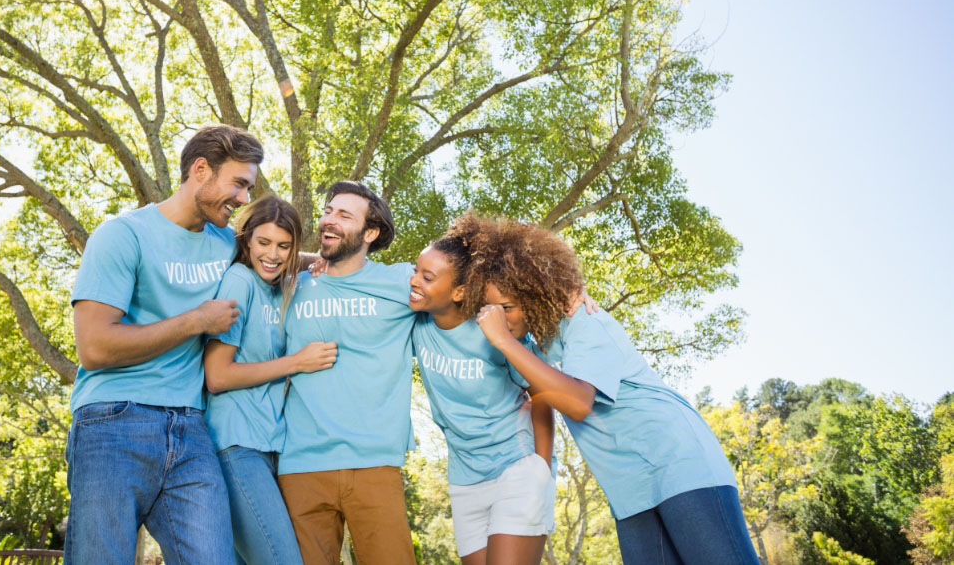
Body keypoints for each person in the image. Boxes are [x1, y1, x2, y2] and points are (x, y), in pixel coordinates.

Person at [466, 219, 760, 565]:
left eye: (508, 308)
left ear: (535, 296)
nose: (497, 320)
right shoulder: (531, 347)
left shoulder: (585, 322)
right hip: (629, 487)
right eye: (489, 309)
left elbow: (578, 403)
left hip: (678, 462)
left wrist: (501, 338)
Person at [64, 124, 263, 565]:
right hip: (113, 420)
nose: (245, 198)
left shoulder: (223, 241)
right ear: (200, 170)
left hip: (190, 430)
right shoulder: (122, 235)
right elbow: (94, 347)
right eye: (239, 183)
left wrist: (326, 263)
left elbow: (275, 254)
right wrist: (197, 321)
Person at [277, 181, 418, 565]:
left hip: (374, 462)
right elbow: (248, 250)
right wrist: (304, 260)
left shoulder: (401, 282)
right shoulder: (289, 286)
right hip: (300, 463)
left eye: (344, 215)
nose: (329, 220)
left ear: (370, 233)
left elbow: (467, 282)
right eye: (328, 211)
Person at [407, 215, 556, 565]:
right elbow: (359, 271)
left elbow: (542, 391)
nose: (414, 281)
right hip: (464, 478)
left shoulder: (493, 328)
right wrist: (315, 260)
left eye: (427, 277)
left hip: (516, 466)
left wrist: (542, 466)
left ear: (459, 291)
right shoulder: (416, 316)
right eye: (416, 270)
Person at [203, 195, 339, 565]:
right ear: (247, 241)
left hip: (270, 444)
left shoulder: (279, 289)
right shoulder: (239, 281)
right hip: (234, 443)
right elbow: (216, 376)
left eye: (284, 246)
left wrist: (320, 260)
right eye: (264, 243)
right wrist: (295, 363)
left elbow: (305, 264)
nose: (273, 255)